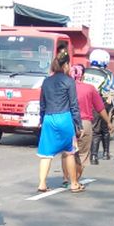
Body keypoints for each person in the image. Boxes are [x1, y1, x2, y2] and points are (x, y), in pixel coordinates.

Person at [36, 53, 84, 192]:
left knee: (46, 154)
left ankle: (42, 184)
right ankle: (74, 184)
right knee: (69, 151)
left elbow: (42, 104)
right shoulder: (69, 81)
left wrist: (41, 119)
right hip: (64, 117)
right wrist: (78, 125)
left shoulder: (46, 81)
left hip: (49, 118)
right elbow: (74, 105)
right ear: (66, 65)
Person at [72, 63, 108, 180]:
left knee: (68, 153)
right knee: (82, 154)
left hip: (67, 122)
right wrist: (109, 122)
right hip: (84, 123)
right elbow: (100, 108)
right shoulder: (90, 88)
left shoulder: (65, 87)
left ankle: (67, 179)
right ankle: (75, 180)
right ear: (83, 75)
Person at [83, 48, 114, 164]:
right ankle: (95, 156)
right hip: (98, 104)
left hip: (82, 103)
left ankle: (84, 152)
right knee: (98, 129)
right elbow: (111, 92)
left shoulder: (84, 72)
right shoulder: (107, 75)